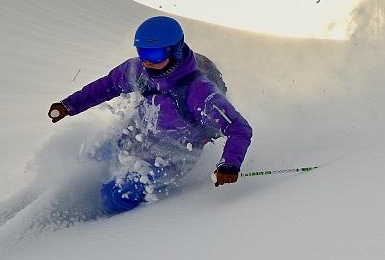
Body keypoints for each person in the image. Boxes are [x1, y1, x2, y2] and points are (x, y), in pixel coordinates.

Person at [47, 16, 252, 215]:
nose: (147, 61)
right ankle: (69, 203)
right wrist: (69, 105)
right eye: (142, 52)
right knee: (92, 158)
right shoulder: (137, 70)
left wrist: (229, 164)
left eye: (155, 55)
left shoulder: (198, 91)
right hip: (136, 133)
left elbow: (238, 127)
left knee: (115, 197)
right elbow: (105, 86)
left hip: (172, 157)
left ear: (175, 51)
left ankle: (98, 225)